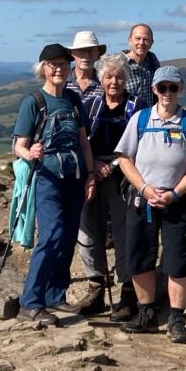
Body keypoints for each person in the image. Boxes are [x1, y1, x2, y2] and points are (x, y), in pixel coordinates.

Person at [114, 65, 186, 344]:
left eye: (172, 88)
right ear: (153, 90)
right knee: (140, 258)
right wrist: (144, 188)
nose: (167, 93)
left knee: (178, 262)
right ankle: (146, 313)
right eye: (162, 88)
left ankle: (177, 319)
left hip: (176, 202)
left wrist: (174, 194)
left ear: (181, 90)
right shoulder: (140, 119)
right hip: (142, 200)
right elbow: (125, 158)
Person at [12, 43, 97, 328]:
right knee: (51, 235)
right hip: (47, 179)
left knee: (68, 235)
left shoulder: (74, 101)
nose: (58, 69)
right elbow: (18, 145)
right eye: (52, 65)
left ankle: (55, 294)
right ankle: (31, 302)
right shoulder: (33, 102)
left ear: (69, 67)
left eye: (63, 64)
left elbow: (84, 141)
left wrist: (90, 174)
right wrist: (30, 153)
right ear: (43, 69)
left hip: (75, 178)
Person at [74, 53, 140, 318]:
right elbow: (81, 140)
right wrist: (95, 166)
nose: (114, 82)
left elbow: (141, 145)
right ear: (101, 79)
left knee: (124, 234)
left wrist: (110, 165)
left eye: (120, 77)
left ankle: (126, 290)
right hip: (92, 176)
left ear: (127, 79)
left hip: (124, 180)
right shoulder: (89, 105)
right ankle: (96, 286)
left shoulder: (137, 107)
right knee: (88, 231)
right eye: (109, 77)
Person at [121, 23, 160, 111]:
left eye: (146, 39)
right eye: (137, 39)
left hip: (147, 120)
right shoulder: (117, 63)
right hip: (124, 121)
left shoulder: (152, 62)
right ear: (129, 40)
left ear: (151, 43)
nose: (141, 43)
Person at [65, 30, 105, 103]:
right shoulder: (62, 82)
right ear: (72, 54)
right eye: (81, 50)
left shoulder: (105, 83)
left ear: (97, 55)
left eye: (91, 51)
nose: (86, 55)